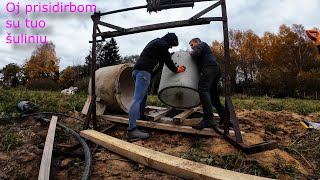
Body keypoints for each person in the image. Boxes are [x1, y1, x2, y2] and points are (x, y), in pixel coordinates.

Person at [126, 33, 186, 142]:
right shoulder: (163, 45)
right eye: (172, 45)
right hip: (144, 72)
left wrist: (150, 77)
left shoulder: (155, 43)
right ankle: (131, 130)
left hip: (137, 71)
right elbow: (168, 61)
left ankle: (141, 115)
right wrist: (177, 70)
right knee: (137, 99)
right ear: (169, 41)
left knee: (143, 96)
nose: (171, 47)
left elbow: (160, 60)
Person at [188, 38, 225, 130]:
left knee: (202, 90)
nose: (192, 47)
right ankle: (226, 118)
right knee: (213, 95)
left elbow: (195, 54)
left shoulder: (202, 44)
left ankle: (208, 119)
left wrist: (190, 53)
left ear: (197, 42)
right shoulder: (205, 51)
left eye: (192, 45)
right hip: (215, 69)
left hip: (209, 68)